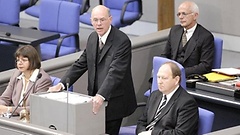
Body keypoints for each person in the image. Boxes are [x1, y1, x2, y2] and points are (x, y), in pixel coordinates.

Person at [48, 5, 137, 135]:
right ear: (91, 21)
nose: (99, 24)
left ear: (110, 19)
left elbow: (115, 73)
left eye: (102, 20)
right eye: (95, 20)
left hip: (114, 100)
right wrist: (61, 84)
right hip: (94, 99)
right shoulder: (92, 38)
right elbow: (81, 64)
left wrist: (101, 96)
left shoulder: (122, 41)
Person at [136, 62, 199, 135]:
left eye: (164, 78)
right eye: (158, 77)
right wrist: (142, 133)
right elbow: (142, 121)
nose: (160, 82)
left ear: (176, 80)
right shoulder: (154, 95)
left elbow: (180, 133)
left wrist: (151, 133)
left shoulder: (187, 103)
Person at [161, 1, 214, 77]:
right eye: (179, 14)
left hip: (189, 77)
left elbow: (205, 66)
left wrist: (180, 72)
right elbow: (165, 55)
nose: (181, 17)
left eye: (184, 14)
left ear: (195, 16)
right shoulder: (174, 31)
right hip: (171, 75)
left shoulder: (205, 36)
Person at [0, 45, 52, 115]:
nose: (19, 63)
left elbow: (36, 107)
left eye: (24, 60)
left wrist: (9, 109)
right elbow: (4, 98)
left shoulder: (43, 80)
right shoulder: (17, 74)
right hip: (13, 116)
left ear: (33, 61)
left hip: (30, 118)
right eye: (18, 60)